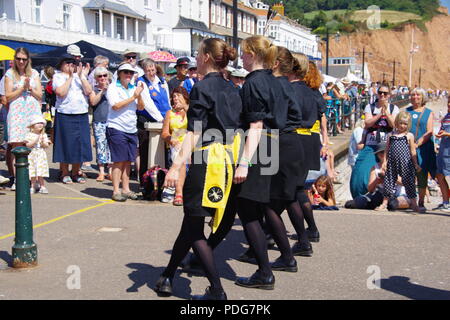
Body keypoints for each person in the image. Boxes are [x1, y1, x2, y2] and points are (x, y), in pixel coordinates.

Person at [155, 38, 241, 300]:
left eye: (197, 53)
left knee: (194, 227)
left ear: (205, 57)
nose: (195, 57)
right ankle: (168, 275)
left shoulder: (202, 88)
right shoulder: (232, 88)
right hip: (227, 160)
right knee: (190, 223)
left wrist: (174, 167)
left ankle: (216, 290)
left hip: (207, 161)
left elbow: (195, 132)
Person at [350, 85, 399, 198]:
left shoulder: (393, 108)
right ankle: (359, 194)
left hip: (387, 144)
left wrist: (386, 113)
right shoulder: (370, 107)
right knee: (360, 168)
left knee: (388, 169)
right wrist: (379, 115)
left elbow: (394, 124)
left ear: (389, 95)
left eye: (385, 93)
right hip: (371, 143)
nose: (382, 95)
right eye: (380, 92)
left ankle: (390, 195)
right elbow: (367, 123)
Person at [106, 63, 145, 202]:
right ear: (120, 74)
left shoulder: (134, 89)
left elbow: (140, 107)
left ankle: (126, 189)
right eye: (125, 72)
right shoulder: (113, 88)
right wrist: (133, 97)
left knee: (128, 160)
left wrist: (139, 96)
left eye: (130, 73)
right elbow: (115, 106)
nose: (128, 75)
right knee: (119, 160)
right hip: (116, 127)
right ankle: (116, 190)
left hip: (131, 128)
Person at [4, 48, 43, 190]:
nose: (21, 61)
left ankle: (31, 179)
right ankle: (17, 180)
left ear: (28, 60)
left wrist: (30, 89)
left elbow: (40, 95)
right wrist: (22, 88)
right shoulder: (10, 74)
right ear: (15, 59)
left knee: (31, 145)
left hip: (31, 111)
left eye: (24, 59)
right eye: (19, 58)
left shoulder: (34, 73)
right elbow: (8, 96)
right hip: (16, 112)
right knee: (16, 145)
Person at [52, 56, 92, 184]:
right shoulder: (58, 76)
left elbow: (89, 91)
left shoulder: (80, 76)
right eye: (67, 62)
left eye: (73, 63)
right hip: (65, 113)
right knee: (65, 144)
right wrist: (69, 77)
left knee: (80, 144)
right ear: (61, 64)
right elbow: (60, 92)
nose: (70, 65)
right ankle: (64, 172)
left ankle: (75, 172)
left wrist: (81, 76)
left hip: (81, 113)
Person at [375, 112, 423, 213]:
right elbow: (387, 150)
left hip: (406, 162)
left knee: (409, 182)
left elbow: (412, 150)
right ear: (397, 122)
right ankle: (384, 203)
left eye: (405, 124)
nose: (402, 126)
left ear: (408, 125)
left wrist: (415, 164)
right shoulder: (391, 135)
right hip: (392, 162)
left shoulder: (409, 135)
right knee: (388, 182)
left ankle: (414, 204)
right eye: (401, 123)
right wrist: (384, 162)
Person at [136, 58, 168, 184]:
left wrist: (170, 117)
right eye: (148, 70)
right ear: (144, 71)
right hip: (148, 122)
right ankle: (145, 182)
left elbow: (168, 102)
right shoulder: (141, 82)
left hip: (165, 121)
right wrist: (161, 119)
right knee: (146, 153)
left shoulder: (162, 82)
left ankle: (162, 180)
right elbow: (148, 105)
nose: (151, 72)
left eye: (153, 69)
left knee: (164, 153)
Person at [406, 87, 436, 211]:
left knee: (422, 174)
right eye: (413, 95)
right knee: (408, 174)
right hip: (407, 145)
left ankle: (421, 200)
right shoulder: (406, 111)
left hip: (423, 148)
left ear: (423, 97)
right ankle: (411, 200)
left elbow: (429, 131)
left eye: (418, 95)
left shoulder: (428, 112)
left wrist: (418, 143)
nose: (415, 97)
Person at [161, 87, 189, 206]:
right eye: (174, 96)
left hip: (191, 144)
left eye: (178, 96)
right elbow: (164, 133)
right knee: (180, 158)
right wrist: (171, 139)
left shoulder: (192, 111)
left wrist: (186, 109)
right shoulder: (170, 113)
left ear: (185, 97)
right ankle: (178, 193)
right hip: (176, 145)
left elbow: (197, 129)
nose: (175, 98)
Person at [89, 67, 112, 182]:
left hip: (112, 121)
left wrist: (109, 89)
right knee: (101, 146)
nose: (103, 78)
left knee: (112, 146)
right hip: (99, 121)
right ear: (96, 78)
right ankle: (102, 172)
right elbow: (93, 102)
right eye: (100, 76)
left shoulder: (113, 88)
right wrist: (103, 91)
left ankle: (111, 172)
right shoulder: (94, 89)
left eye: (104, 75)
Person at [24, 115, 51, 194]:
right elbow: (28, 145)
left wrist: (44, 142)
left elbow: (46, 145)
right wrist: (36, 140)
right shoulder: (29, 135)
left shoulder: (44, 135)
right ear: (32, 126)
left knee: (40, 171)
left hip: (40, 154)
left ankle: (42, 186)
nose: (40, 124)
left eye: (41, 123)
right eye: (38, 123)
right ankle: (32, 186)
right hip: (32, 154)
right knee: (32, 171)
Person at [434, 95, 450, 212]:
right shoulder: (445, 117)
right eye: (449, 102)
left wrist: (447, 134)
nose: (449, 105)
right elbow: (442, 130)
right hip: (442, 150)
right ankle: (445, 202)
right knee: (439, 175)